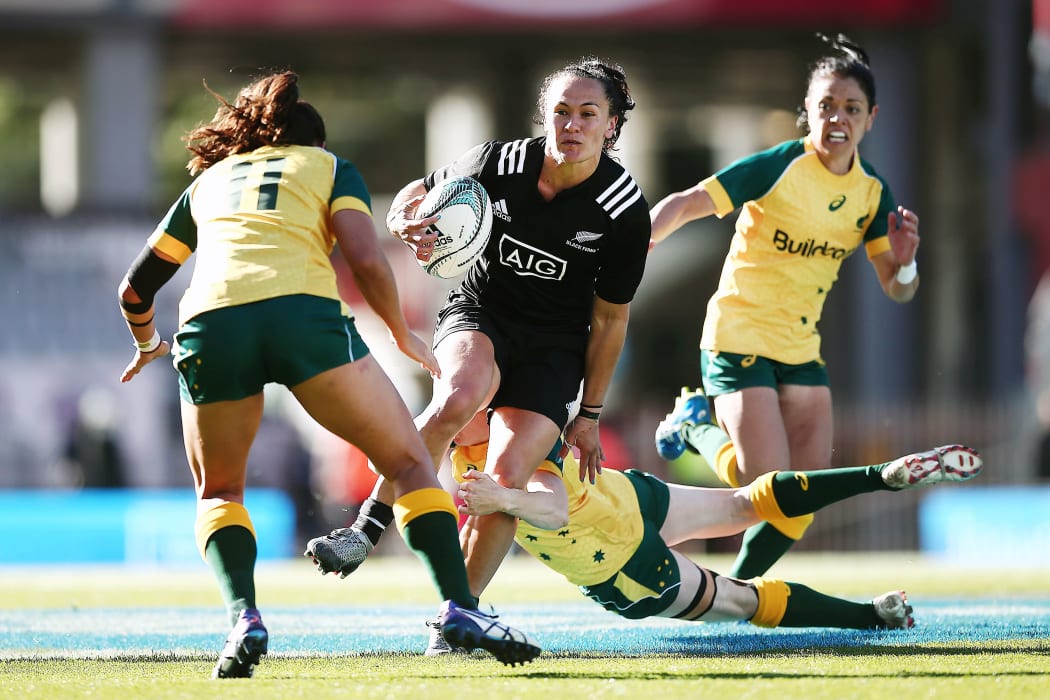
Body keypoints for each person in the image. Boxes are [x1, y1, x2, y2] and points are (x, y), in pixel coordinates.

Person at [116, 70, 540, 677]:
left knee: (219, 493)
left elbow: (135, 287)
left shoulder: (208, 183)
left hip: (212, 327)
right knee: (409, 462)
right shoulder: (328, 167)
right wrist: (399, 332)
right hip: (302, 319)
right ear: (312, 142)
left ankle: (245, 618)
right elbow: (365, 257)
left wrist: (147, 342)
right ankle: (458, 607)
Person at [305, 56, 652, 647]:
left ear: (612, 125)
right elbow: (421, 193)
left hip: (553, 349)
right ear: (544, 117)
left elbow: (611, 319)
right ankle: (367, 527)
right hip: (479, 313)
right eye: (560, 112)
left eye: (587, 114)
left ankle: (456, 618)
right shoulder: (500, 161)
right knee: (459, 397)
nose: (571, 124)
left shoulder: (623, 210)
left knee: (505, 479)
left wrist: (589, 416)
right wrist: (406, 216)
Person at [649, 33, 921, 579]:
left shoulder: (873, 194)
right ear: (807, 112)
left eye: (851, 108)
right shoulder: (779, 165)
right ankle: (697, 422)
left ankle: (740, 593)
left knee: (803, 493)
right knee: (763, 484)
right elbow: (688, 202)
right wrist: (639, 242)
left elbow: (898, 289)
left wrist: (907, 263)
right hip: (738, 333)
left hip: (798, 344)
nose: (836, 118)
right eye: (825, 106)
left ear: (871, 118)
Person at [435, 412, 981, 641]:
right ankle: (880, 481)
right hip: (625, 545)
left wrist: (500, 497)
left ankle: (873, 614)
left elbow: (548, 507)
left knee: (743, 587)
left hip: (623, 529)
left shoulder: (494, 433)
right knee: (747, 515)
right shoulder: (498, 423)